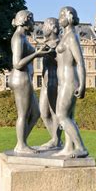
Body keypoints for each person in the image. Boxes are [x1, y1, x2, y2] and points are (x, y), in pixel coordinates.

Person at [9, 10, 51, 154]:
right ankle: (21, 145)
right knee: (23, 114)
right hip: (21, 79)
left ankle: (21, 143)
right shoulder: (18, 38)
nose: (34, 24)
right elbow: (17, 63)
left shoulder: (23, 37)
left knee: (36, 113)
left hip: (25, 79)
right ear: (26, 21)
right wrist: (37, 54)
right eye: (32, 21)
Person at [54, 6, 88, 158]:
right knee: (68, 117)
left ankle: (81, 147)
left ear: (69, 17)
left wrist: (83, 84)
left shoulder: (72, 37)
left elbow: (80, 62)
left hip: (70, 81)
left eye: (62, 14)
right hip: (63, 81)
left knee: (61, 115)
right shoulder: (65, 36)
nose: (59, 17)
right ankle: (68, 147)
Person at [39, 17, 62, 149]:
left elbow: (66, 63)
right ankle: (55, 139)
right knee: (44, 113)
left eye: (45, 26)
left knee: (55, 113)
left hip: (55, 81)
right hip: (46, 83)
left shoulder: (59, 44)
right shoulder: (46, 44)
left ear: (53, 28)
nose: (42, 28)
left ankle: (56, 140)